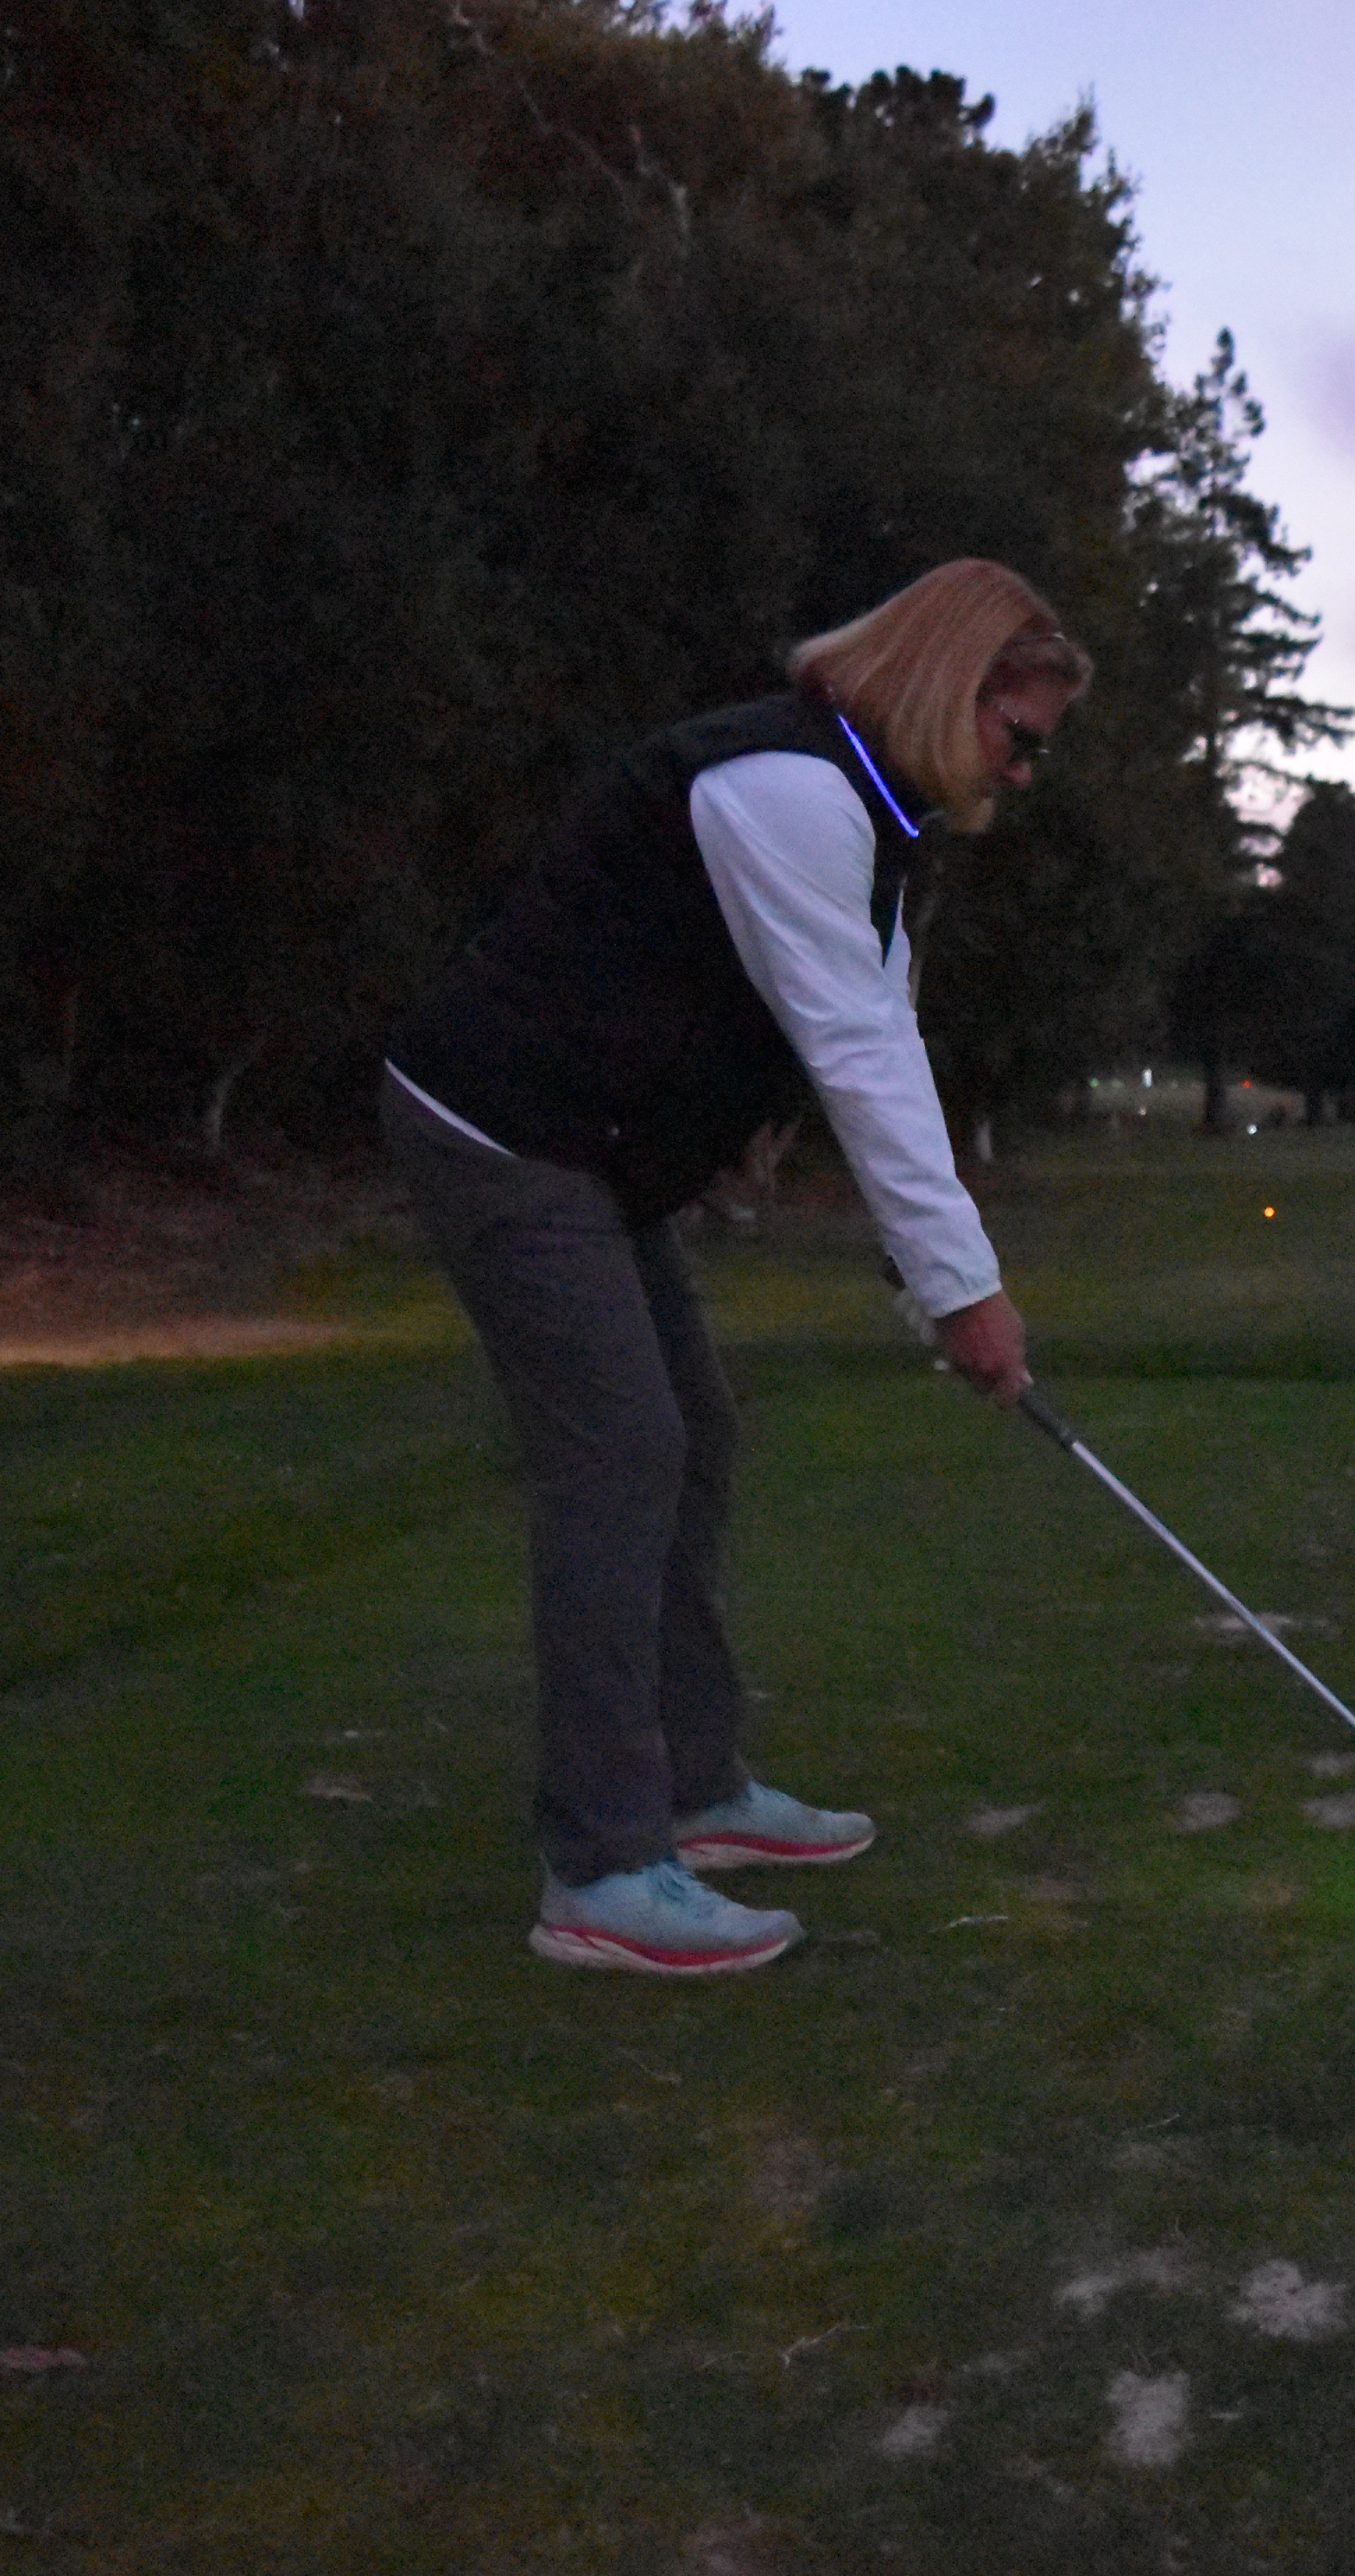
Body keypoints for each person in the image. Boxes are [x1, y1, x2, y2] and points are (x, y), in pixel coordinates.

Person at [380, 559, 1087, 1974]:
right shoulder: (786, 792)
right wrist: (966, 1294)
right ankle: (599, 1866)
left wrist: (930, 1278)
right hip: (505, 1130)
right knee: (622, 1451)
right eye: (1022, 734)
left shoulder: (869, 820)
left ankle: (697, 1789)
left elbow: (878, 1045)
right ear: (953, 693)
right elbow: (860, 1058)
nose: (1027, 767)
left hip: (594, 1152)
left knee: (691, 1431)